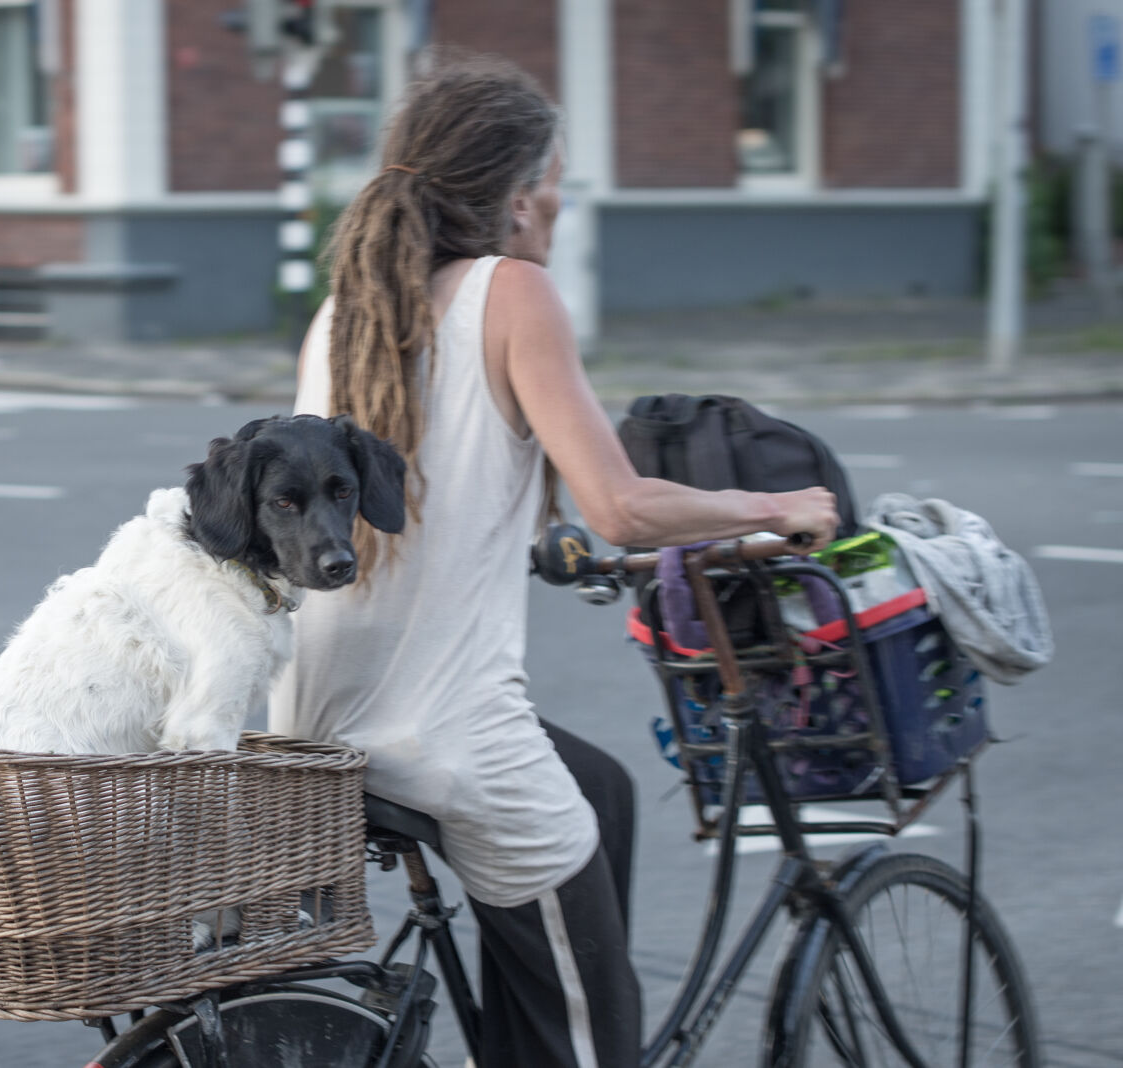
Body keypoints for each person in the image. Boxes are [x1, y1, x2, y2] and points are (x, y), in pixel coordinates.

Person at [268, 54, 839, 1068]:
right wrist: (773, 505)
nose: (563, 204)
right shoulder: (512, 293)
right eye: (559, 181)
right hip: (447, 739)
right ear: (522, 198)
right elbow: (620, 507)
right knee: (593, 1043)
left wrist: (539, 546)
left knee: (603, 790)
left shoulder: (346, 315)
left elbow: (436, 488)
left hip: (320, 722)